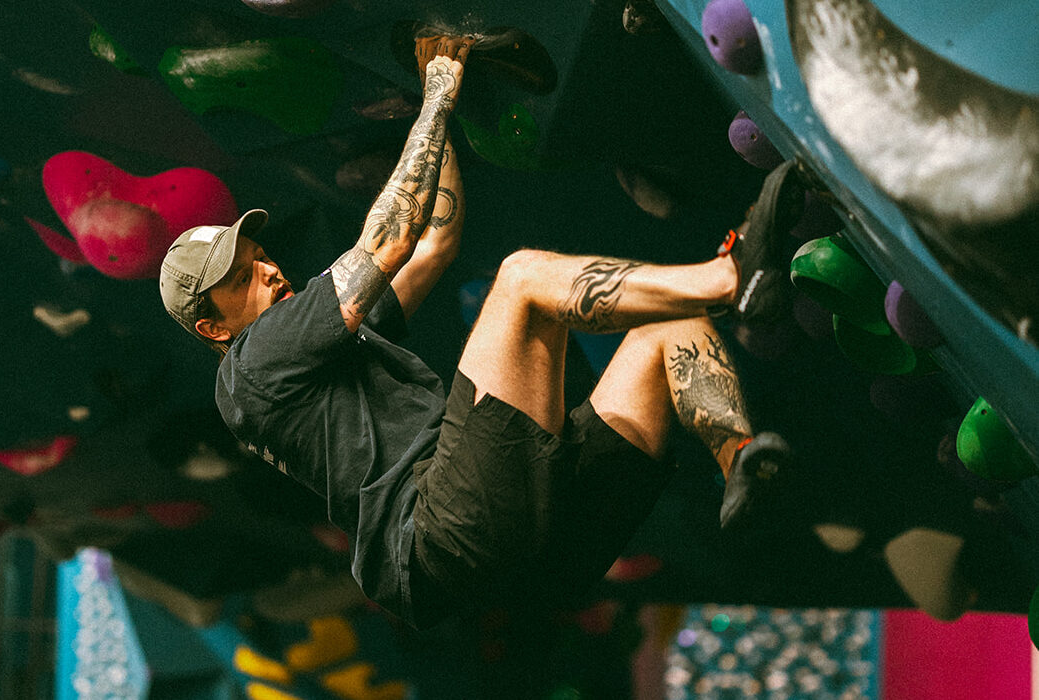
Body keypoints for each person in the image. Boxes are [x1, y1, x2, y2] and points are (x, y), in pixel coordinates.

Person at [159, 36, 804, 628]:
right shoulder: (252, 363)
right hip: (439, 535)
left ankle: (741, 463)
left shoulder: (314, 355)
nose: (269, 271)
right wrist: (437, 89)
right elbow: (389, 240)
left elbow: (434, 241)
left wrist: (437, 104)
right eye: (242, 278)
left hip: (526, 552)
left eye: (260, 257)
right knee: (522, 278)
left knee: (667, 325)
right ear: (213, 326)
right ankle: (731, 279)